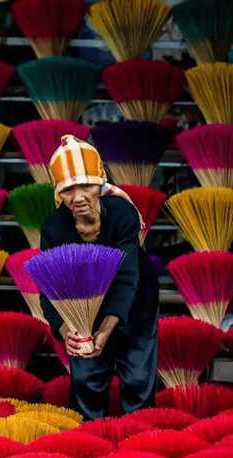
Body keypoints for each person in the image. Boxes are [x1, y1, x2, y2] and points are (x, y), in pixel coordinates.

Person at [39, 134, 160, 420]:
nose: (78, 197)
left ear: (101, 184)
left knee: (138, 379)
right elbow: (49, 290)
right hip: (82, 314)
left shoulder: (122, 215)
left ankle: (138, 446)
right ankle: (90, 445)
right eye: (68, 189)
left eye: (86, 186)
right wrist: (66, 332)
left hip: (135, 303)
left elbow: (128, 278)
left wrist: (106, 331)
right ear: (58, 192)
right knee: (86, 382)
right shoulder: (54, 230)